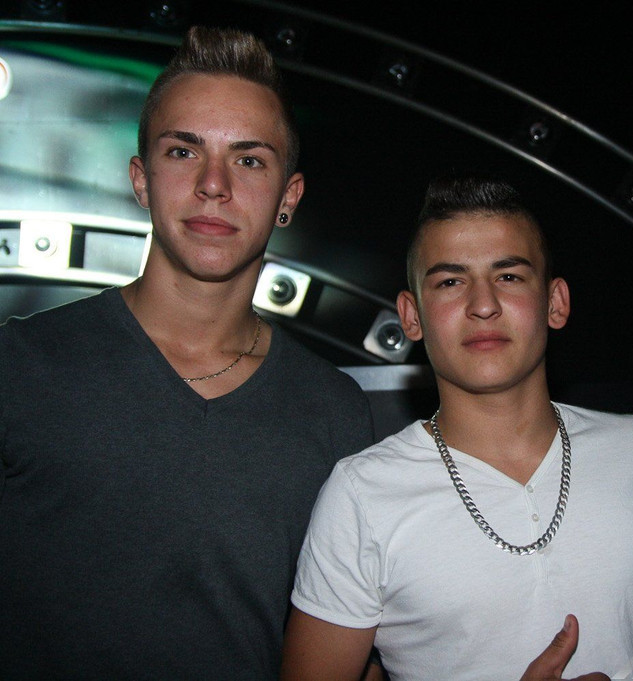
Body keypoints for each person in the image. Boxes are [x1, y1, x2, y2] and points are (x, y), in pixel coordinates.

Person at [0, 26, 374, 678]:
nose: (213, 184)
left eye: (249, 160)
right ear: (141, 180)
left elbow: (346, 645)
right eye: (183, 151)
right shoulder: (21, 366)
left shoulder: (333, 411)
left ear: (288, 197)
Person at [280, 174, 633, 680]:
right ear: (412, 317)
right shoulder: (361, 495)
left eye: (508, 276)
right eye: (450, 282)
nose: (483, 305)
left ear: (555, 303)